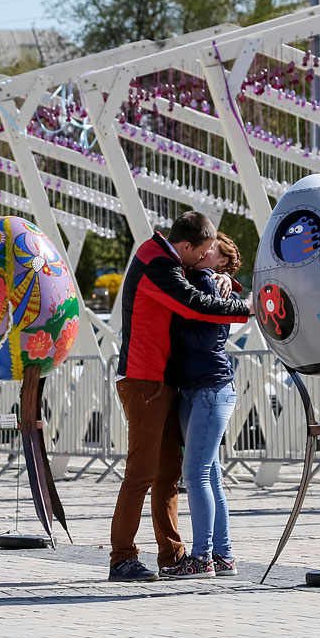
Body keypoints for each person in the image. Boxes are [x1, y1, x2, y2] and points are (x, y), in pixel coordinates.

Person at [109, 212, 251, 582]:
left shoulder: (169, 260)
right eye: (204, 252)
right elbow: (194, 304)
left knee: (168, 476)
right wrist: (248, 308)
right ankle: (122, 557)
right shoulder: (157, 263)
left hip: (162, 381)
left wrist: (225, 279)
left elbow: (198, 287)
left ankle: (173, 556)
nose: (205, 258)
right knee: (141, 474)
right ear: (186, 247)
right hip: (144, 380)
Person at [160, 233, 242, 579]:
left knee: (195, 474)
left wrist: (173, 328)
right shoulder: (195, 280)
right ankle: (222, 556)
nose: (206, 250)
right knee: (209, 475)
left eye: (214, 250)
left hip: (209, 387)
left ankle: (202, 557)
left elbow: (206, 336)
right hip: (200, 387)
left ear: (222, 261)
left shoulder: (207, 285)